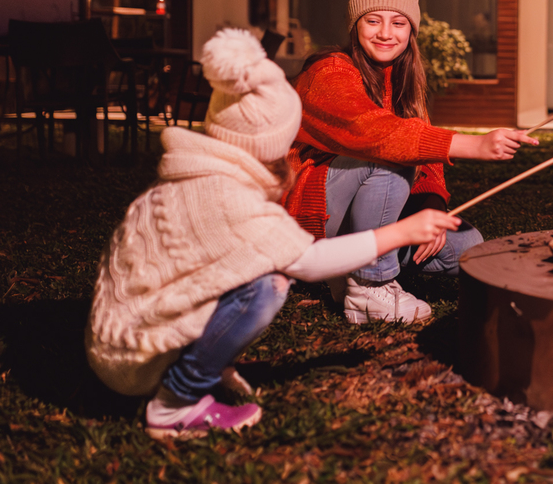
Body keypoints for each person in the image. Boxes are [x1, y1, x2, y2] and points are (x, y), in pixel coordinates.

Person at [85, 28, 459, 440]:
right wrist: (402, 231)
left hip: (110, 340)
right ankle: (176, 402)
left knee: (241, 269)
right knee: (266, 286)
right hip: (135, 361)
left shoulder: (183, 182)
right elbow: (309, 263)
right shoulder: (232, 201)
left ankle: (199, 361)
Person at [285, 0, 536, 324]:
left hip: (362, 220)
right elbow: (376, 134)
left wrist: (431, 208)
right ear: (356, 24)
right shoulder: (329, 72)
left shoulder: (402, 80)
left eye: (398, 22)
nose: (386, 32)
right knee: (388, 159)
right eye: (373, 20)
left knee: (465, 244)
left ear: (411, 29)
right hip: (309, 220)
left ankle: (349, 271)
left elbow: (424, 157)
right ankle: (369, 286)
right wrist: (471, 144)